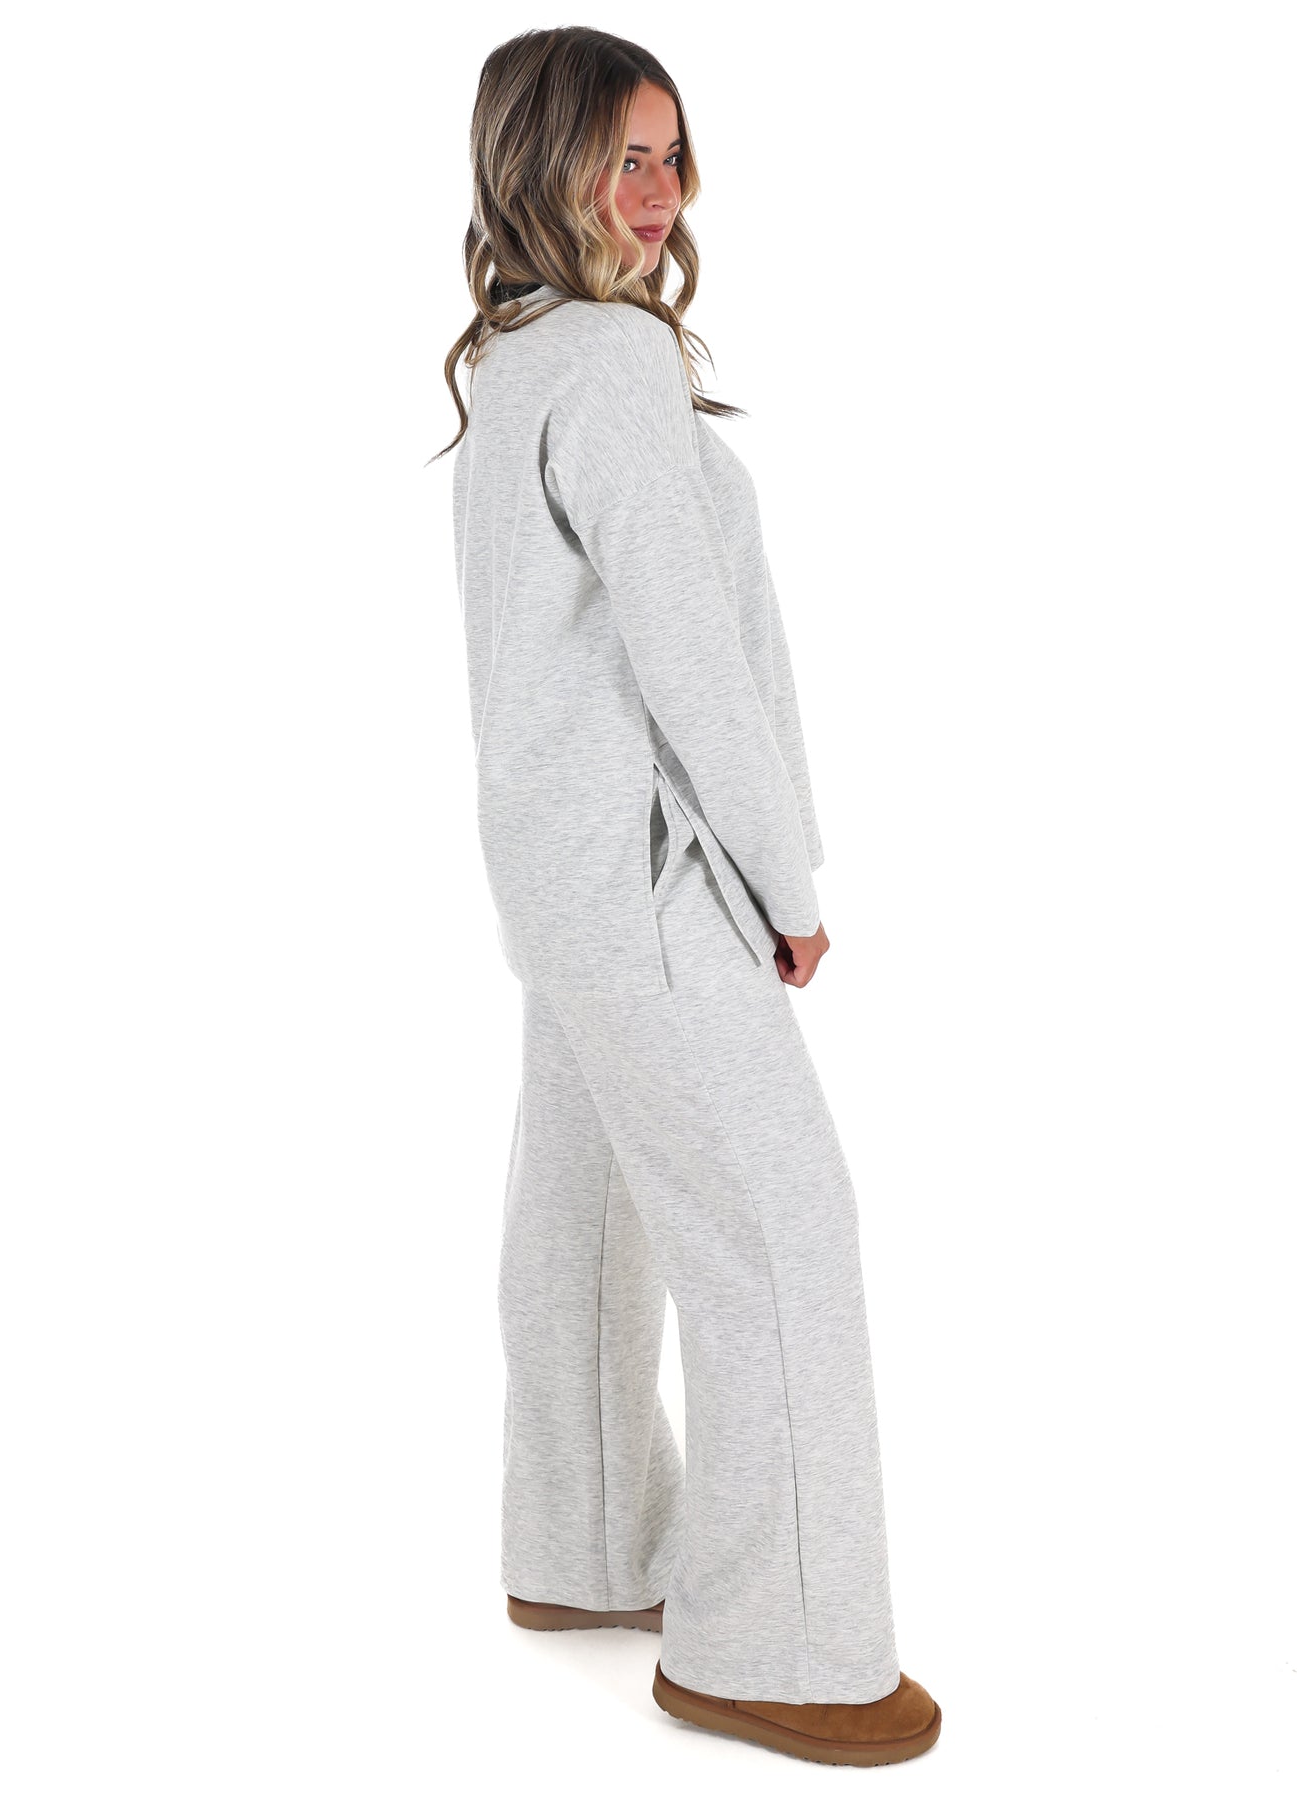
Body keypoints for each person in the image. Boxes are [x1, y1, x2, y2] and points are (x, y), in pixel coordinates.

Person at [431, 26, 941, 1768]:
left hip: (551, 866)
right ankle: (781, 1645)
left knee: (587, 1212)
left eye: (668, 156)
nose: (655, 195)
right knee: (781, 1233)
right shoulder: (612, 360)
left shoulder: (517, 354)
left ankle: (577, 1548)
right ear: (535, 163)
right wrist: (781, 877)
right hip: (648, 868)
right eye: (619, 158)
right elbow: (691, 654)